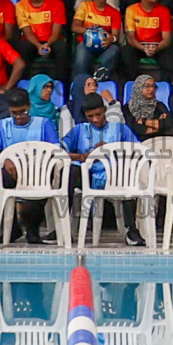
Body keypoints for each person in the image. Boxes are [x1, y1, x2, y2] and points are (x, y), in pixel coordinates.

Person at [62, 94, 146, 247]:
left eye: (98, 114)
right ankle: (63, 228)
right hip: (88, 176)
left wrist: (111, 150)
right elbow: (59, 151)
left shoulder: (119, 128)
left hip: (115, 177)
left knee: (128, 177)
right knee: (71, 172)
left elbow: (139, 150)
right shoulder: (80, 130)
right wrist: (83, 156)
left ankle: (132, 230)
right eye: (90, 116)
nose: (95, 119)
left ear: (105, 110)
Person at [0, 88, 61, 245]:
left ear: (30, 106)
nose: (19, 116)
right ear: (9, 110)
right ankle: (13, 226)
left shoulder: (44, 124)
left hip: (38, 172)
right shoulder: (2, 125)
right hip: (12, 173)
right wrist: (4, 159)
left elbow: (55, 149)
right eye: (14, 113)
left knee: (44, 179)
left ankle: (32, 229)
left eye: (23, 111)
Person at [12, 0, 69, 80]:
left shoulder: (57, 4)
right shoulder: (20, 6)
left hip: (52, 40)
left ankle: (62, 86)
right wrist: (39, 46)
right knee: (23, 48)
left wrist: (47, 44)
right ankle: (24, 85)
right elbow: (27, 32)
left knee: (62, 48)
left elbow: (56, 32)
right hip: (32, 41)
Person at [118, 0, 173, 81]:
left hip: (157, 45)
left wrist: (156, 48)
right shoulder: (131, 10)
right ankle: (133, 83)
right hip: (138, 46)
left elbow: (167, 39)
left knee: (169, 57)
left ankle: (166, 85)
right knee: (126, 52)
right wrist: (144, 48)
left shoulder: (164, 11)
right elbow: (130, 37)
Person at [73, 0, 122, 84]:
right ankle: (81, 83)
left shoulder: (114, 13)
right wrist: (90, 31)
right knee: (81, 55)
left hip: (105, 46)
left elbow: (115, 36)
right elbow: (75, 27)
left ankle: (98, 79)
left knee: (114, 50)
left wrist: (111, 39)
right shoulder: (85, 6)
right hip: (86, 43)